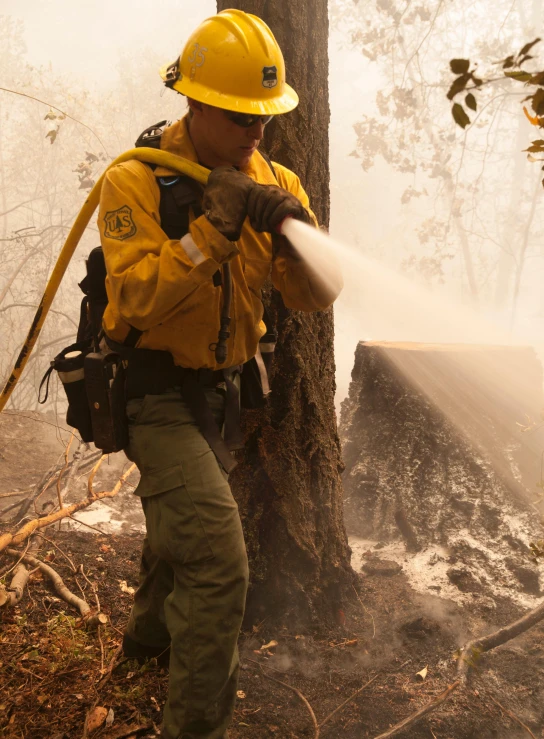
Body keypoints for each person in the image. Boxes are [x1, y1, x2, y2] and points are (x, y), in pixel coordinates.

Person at [97, 9, 341, 739]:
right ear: (194, 102)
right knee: (219, 564)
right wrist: (210, 231)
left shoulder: (276, 177)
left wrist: (298, 246)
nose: (255, 134)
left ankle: (142, 651)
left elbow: (314, 297)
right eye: (238, 117)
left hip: (224, 394)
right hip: (154, 392)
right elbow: (135, 296)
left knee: (182, 531)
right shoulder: (135, 181)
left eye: (264, 118)